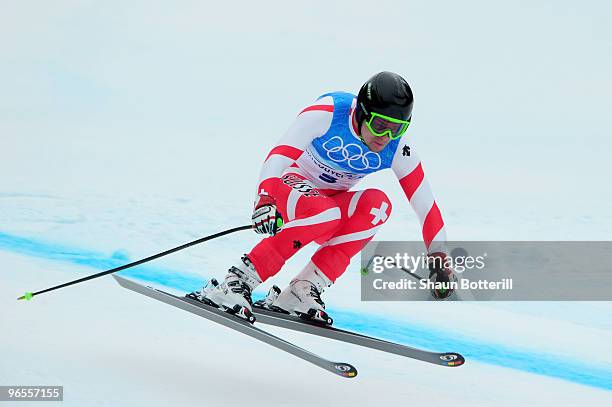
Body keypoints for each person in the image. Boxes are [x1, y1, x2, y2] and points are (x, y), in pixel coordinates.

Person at [190, 71, 456, 324]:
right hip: (289, 185)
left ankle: (303, 289)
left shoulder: (399, 148)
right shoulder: (329, 113)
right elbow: (278, 157)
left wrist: (439, 260)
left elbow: (427, 208)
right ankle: (237, 281)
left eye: (397, 129)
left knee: (379, 206)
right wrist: (265, 198)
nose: (385, 138)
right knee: (326, 213)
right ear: (361, 114)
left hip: (328, 208)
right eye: (379, 126)